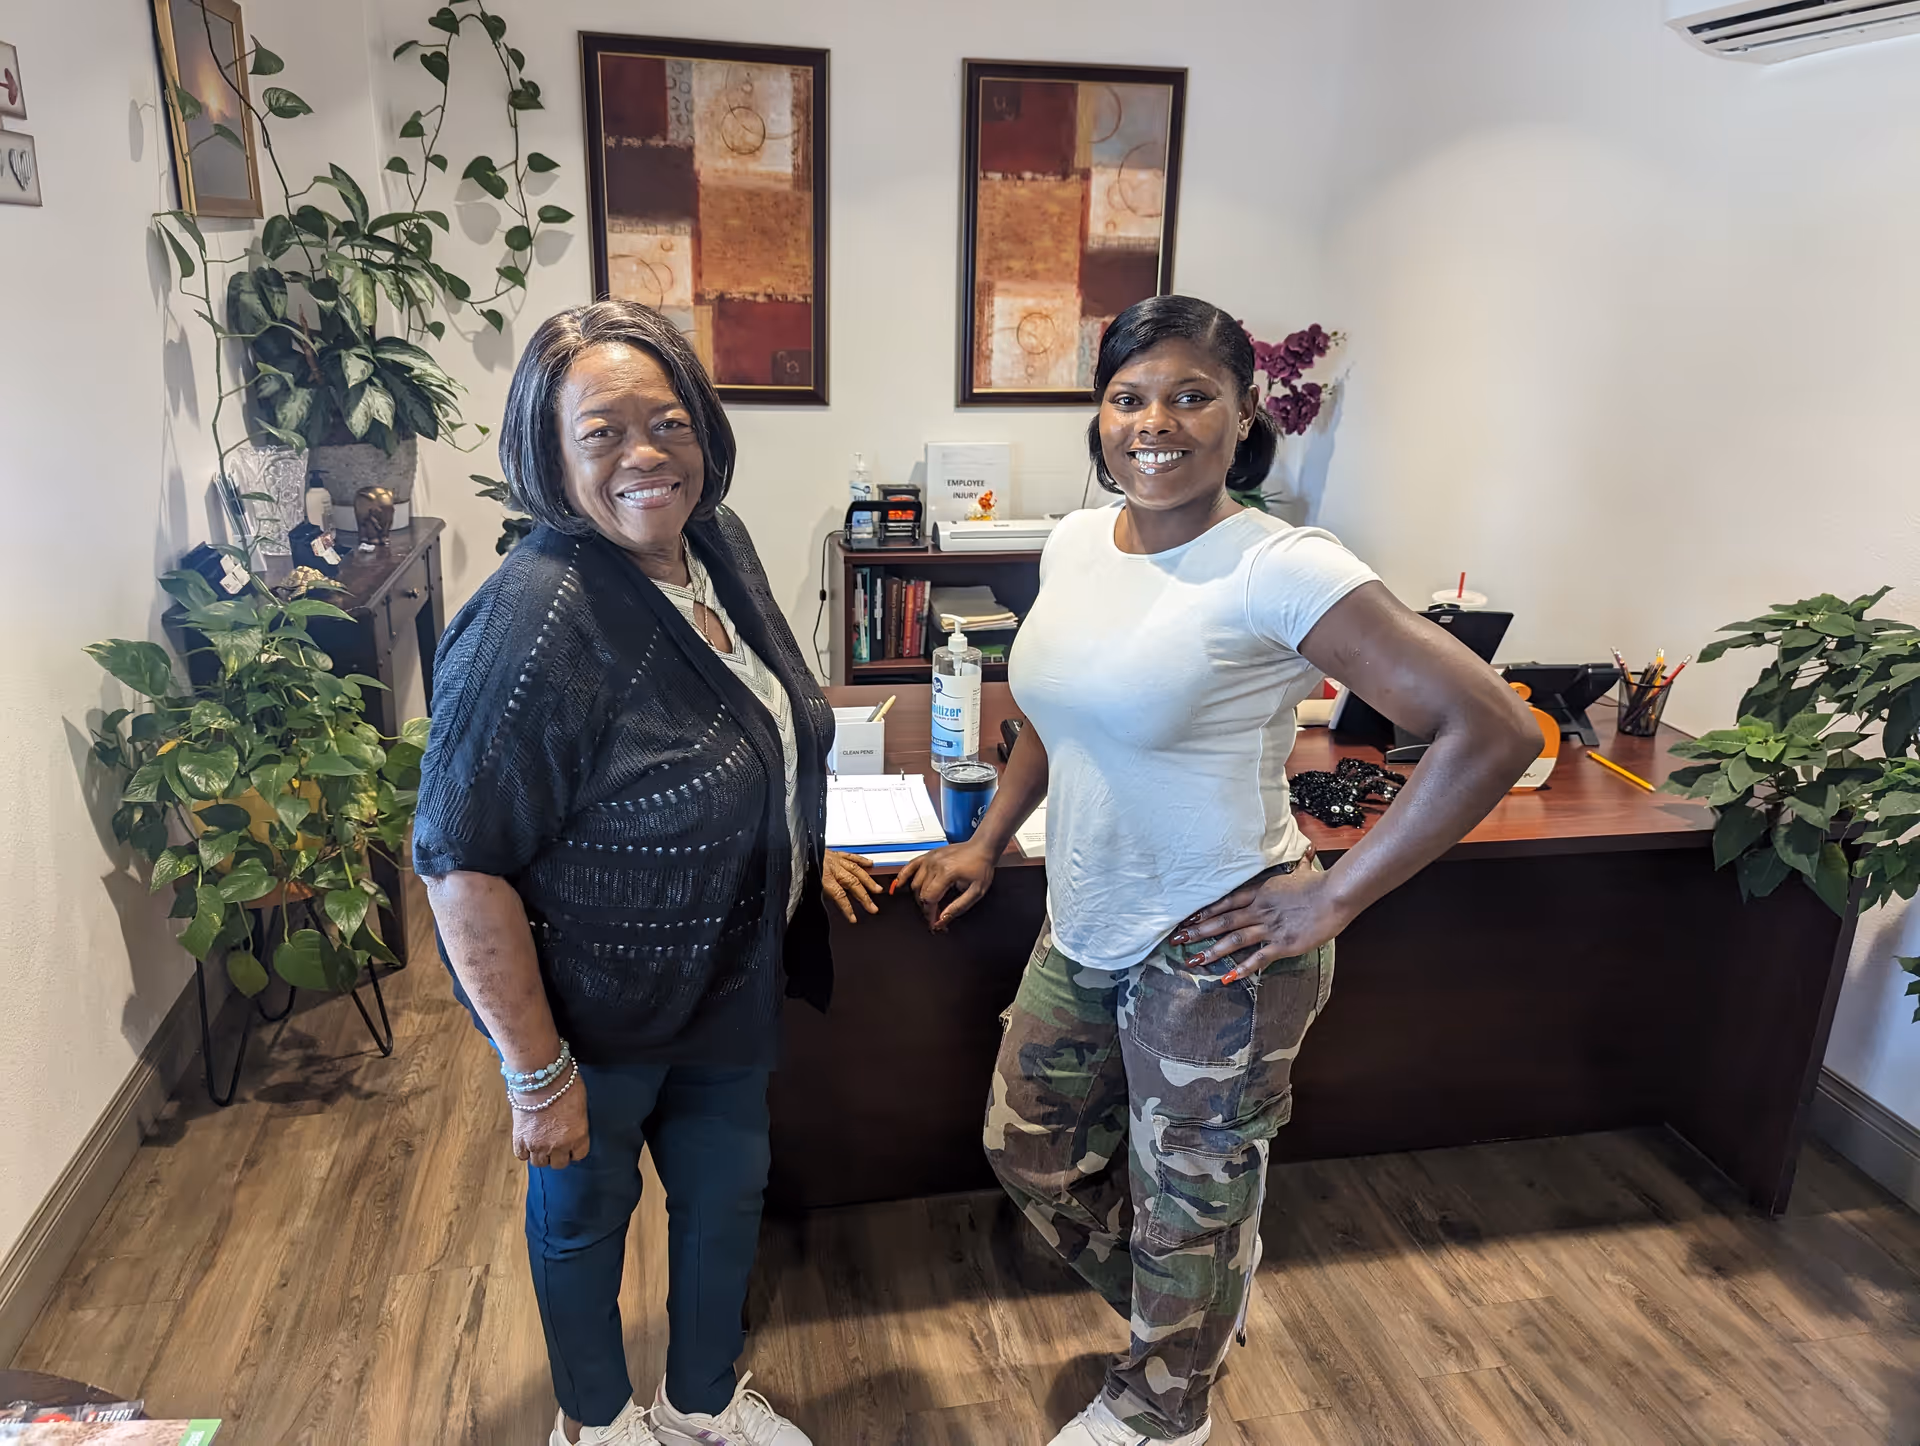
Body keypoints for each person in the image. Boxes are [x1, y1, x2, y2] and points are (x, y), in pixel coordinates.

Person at [898, 295, 1541, 1446]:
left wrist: (1335, 894)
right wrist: (989, 840)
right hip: (1084, 915)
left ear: (1245, 418)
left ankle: (1165, 1403)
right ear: (1100, 417)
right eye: (1130, 397)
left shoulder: (1281, 567)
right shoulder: (1074, 542)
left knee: (1186, 1205)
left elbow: (1490, 731)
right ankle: (1191, 1300)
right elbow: (1054, 713)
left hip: (1219, 943)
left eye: (1192, 395)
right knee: (1027, 1151)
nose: (1157, 423)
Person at [414, 301, 881, 1446]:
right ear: (547, 450)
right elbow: (459, 860)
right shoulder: (539, 616)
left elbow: (759, 724)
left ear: (707, 432)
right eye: (603, 432)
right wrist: (537, 1074)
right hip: (596, 1015)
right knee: (584, 1219)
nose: (645, 457)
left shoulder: (712, 544)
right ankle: (600, 1424)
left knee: (725, 1206)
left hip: (726, 984)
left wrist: (794, 852)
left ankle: (702, 1406)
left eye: (669, 422)